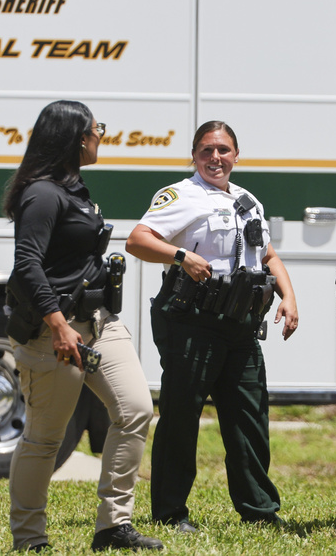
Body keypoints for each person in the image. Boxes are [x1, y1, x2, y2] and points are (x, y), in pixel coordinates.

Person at [3, 100, 162, 552]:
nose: (100, 136)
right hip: (54, 332)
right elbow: (26, 265)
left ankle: (113, 527)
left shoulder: (73, 189)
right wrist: (57, 324)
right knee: (44, 439)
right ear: (75, 137)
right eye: (97, 128)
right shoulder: (42, 194)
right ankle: (29, 539)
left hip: (98, 323)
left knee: (135, 411)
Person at [125, 120, 299, 532]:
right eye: (206, 150)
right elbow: (137, 239)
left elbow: (269, 256)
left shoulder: (248, 200)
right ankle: (170, 512)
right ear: (194, 156)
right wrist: (180, 255)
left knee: (250, 418)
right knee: (182, 418)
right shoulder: (181, 195)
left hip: (240, 325)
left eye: (223, 150)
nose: (215, 158)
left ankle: (259, 509)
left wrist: (289, 297)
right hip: (193, 322)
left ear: (236, 156)